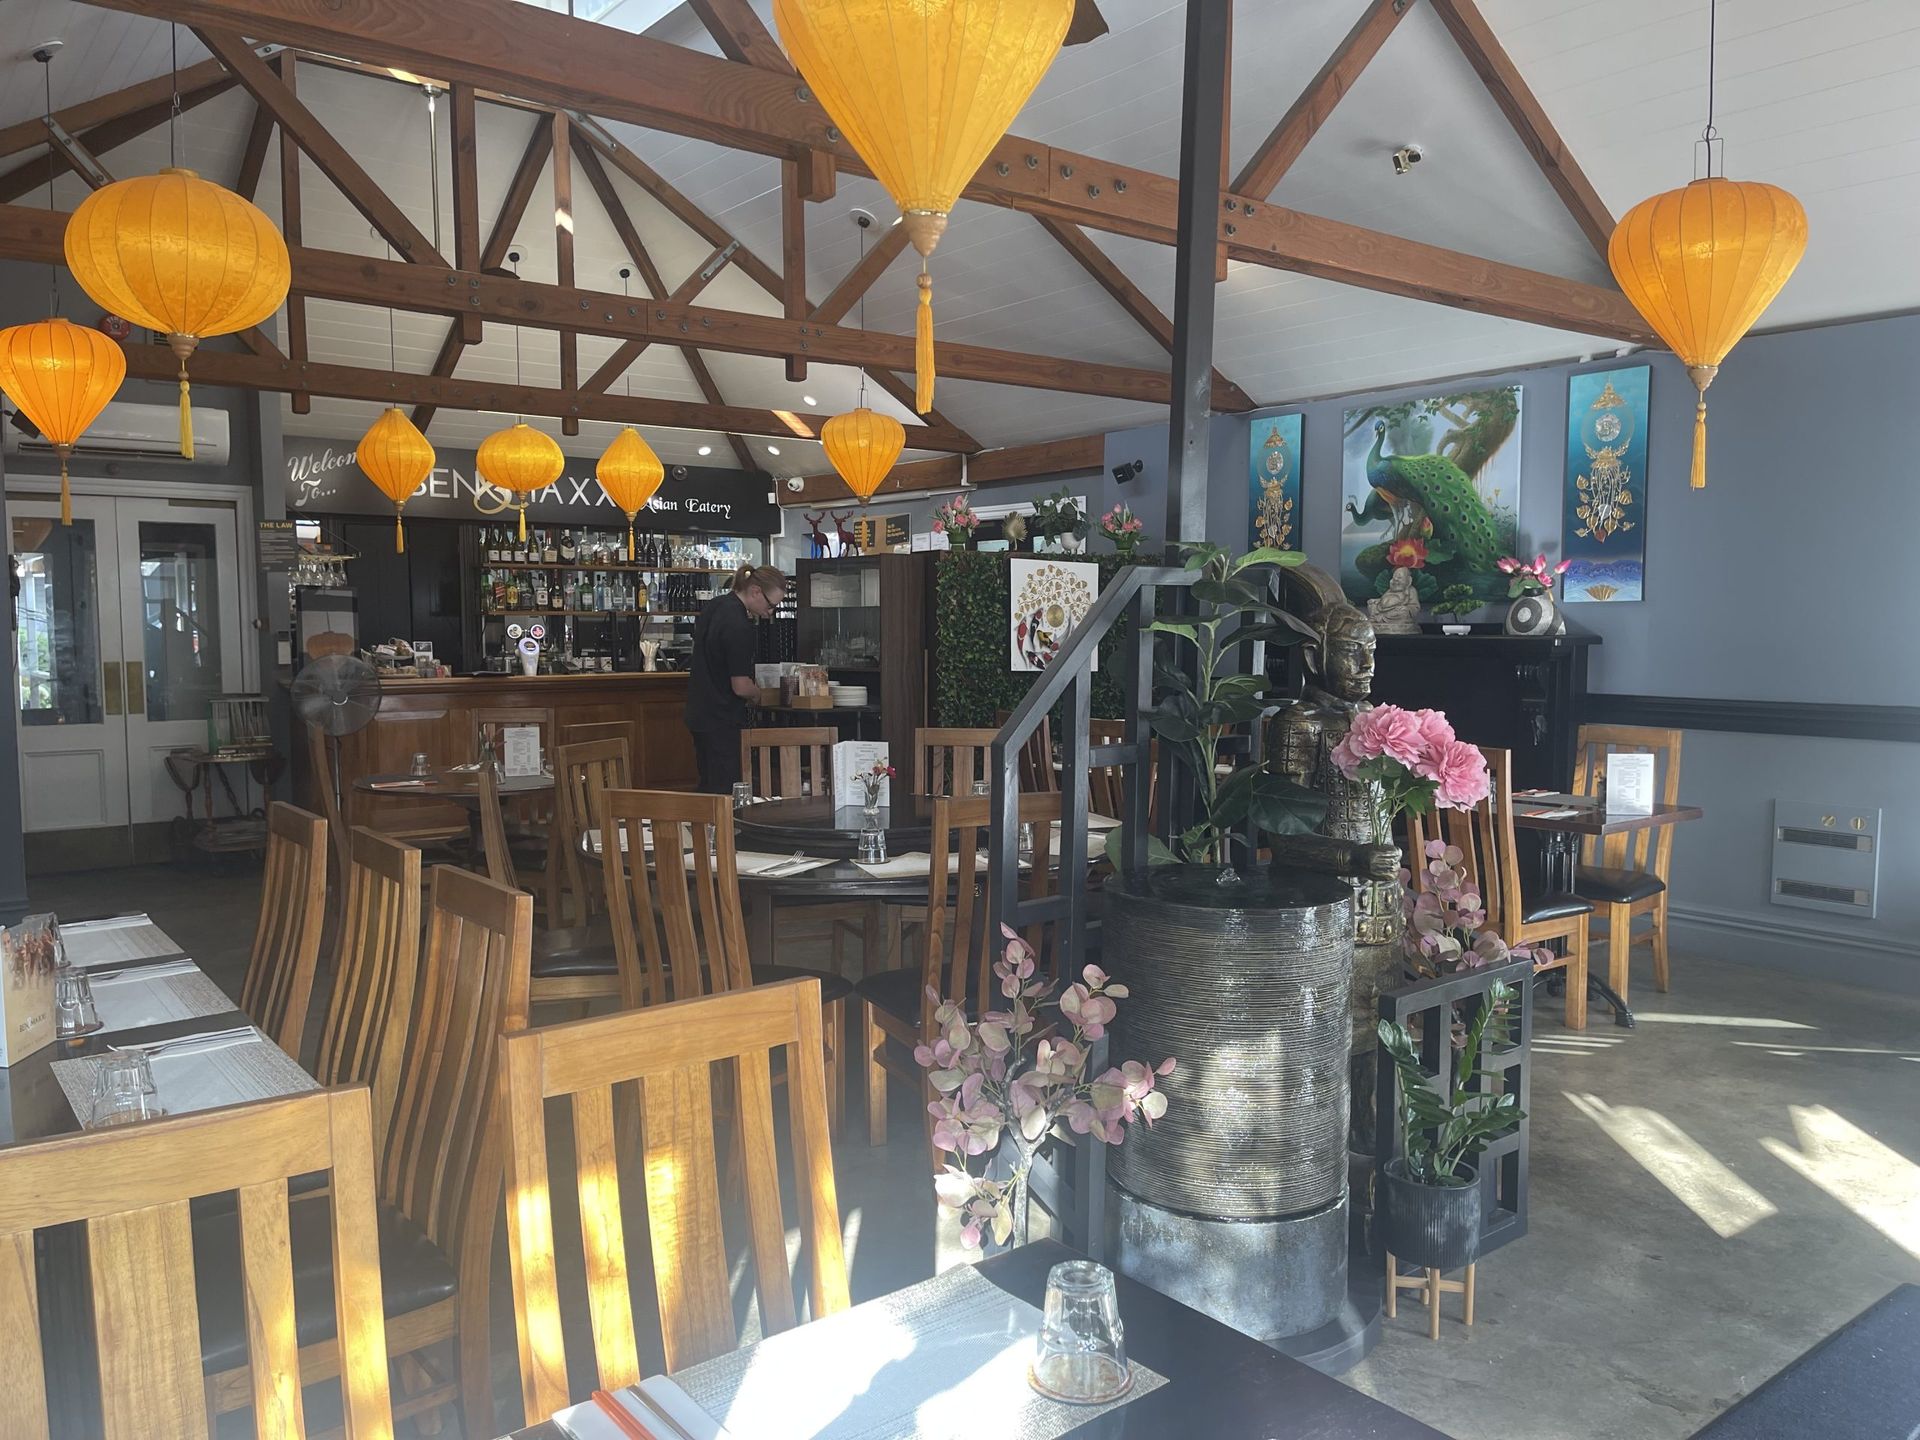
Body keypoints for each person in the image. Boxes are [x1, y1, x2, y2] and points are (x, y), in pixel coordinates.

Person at [684, 564, 784, 794]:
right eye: (771, 605)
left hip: (699, 712)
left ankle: (707, 830)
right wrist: (758, 694)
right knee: (725, 793)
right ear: (755, 591)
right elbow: (740, 686)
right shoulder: (740, 626)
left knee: (708, 786)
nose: (770, 612)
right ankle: (721, 831)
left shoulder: (716, 605)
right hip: (722, 717)